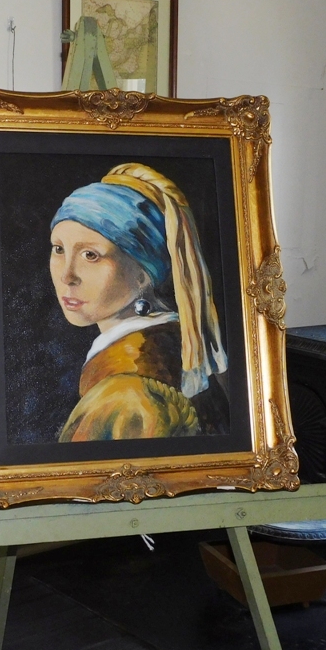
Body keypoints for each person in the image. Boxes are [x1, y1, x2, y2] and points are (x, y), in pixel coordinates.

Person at [49, 162, 229, 442]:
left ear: (143, 274)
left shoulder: (129, 396)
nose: (66, 275)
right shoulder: (173, 344)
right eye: (59, 249)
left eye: (91, 255)